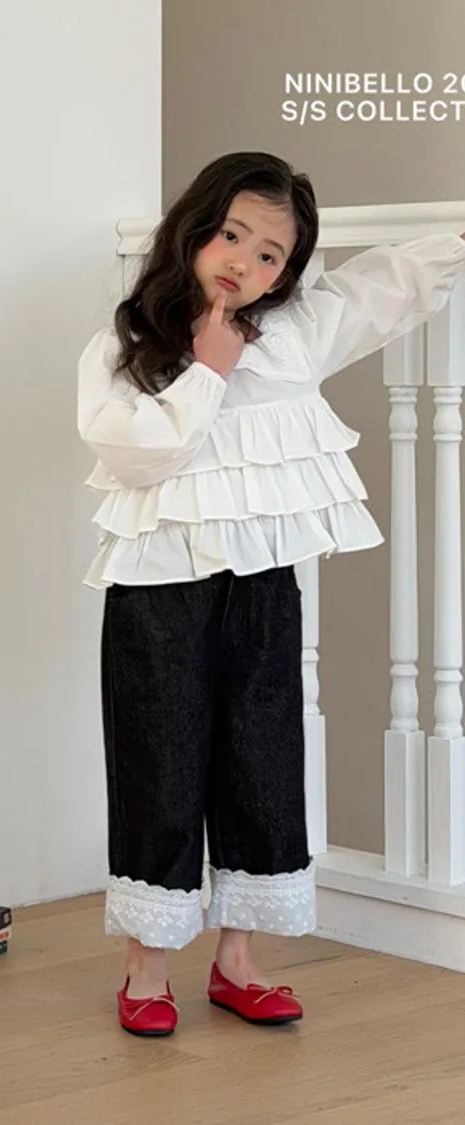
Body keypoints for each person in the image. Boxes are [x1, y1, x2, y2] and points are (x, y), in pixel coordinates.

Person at [77, 151, 465, 1036]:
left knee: (262, 756)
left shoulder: (293, 338)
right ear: (194, 227)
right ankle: (147, 964)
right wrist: (208, 370)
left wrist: (454, 242)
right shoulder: (126, 350)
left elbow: (376, 291)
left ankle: (238, 961)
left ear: (286, 274)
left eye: (270, 255)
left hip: (260, 582)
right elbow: (138, 454)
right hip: (155, 590)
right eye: (232, 234)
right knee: (157, 762)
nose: (243, 262)